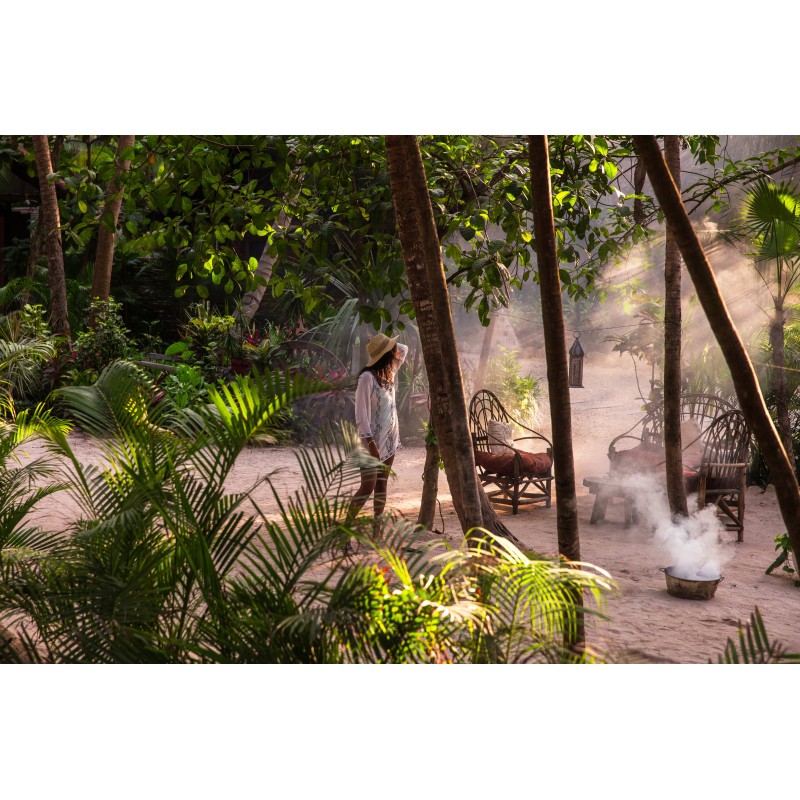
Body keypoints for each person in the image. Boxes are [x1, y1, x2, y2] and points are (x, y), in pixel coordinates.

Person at [345, 332, 408, 529]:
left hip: (390, 438)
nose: (395, 353)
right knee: (368, 486)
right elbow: (360, 415)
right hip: (370, 440)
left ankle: (377, 529)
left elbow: (404, 349)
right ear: (386, 355)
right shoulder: (367, 378)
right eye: (391, 350)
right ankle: (345, 529)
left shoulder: (390, 371)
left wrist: (382, 343)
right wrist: (370, 444)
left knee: (382, 484)